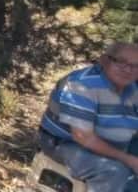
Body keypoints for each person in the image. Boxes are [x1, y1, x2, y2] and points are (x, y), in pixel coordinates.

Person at [39, 42, 138, 192]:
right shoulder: (82, 84)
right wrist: (128, 159)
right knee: (114, 171)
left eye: (135, 65)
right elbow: (83, 137)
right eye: (121, 62)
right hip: (66, 143)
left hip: (111, 143)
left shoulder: (132, 89)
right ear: (104, 60)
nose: (128, 69)